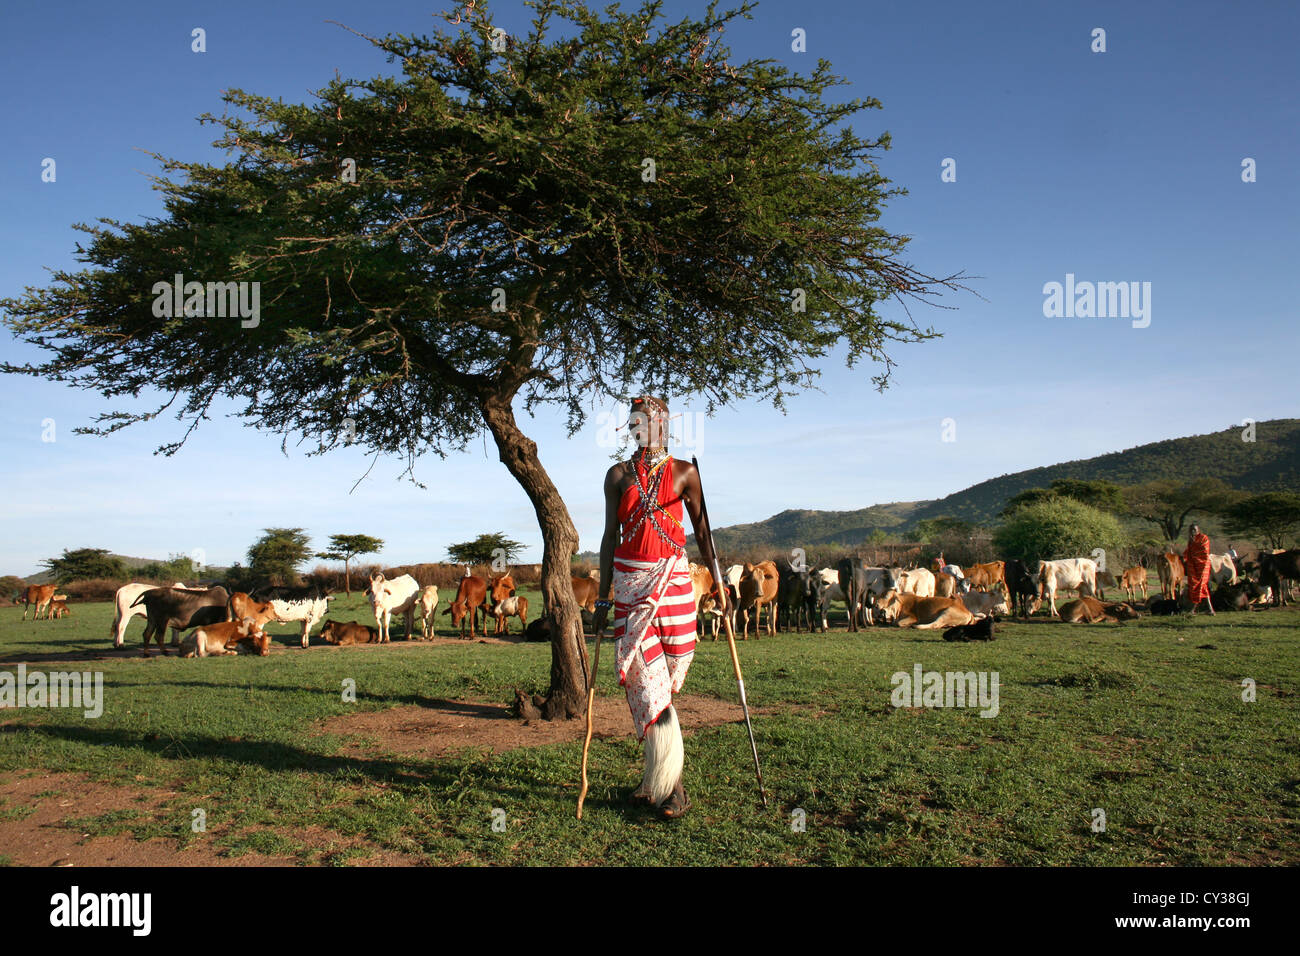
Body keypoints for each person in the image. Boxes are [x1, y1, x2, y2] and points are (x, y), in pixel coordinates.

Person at [590, 396, 728, 819]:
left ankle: (652, 781)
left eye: (658, 422)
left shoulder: (685, 473)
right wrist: (602, 595)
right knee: (648, 688)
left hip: (677, 590)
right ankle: (675, 790)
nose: (651, 429)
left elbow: (703, 529)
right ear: (633, 428)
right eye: (642, 422)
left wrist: (720, 584)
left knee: (663, 687)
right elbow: (610, 536)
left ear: (668, 426)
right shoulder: (617, 476)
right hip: (631, 592)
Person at [1182, 524, 1215, 615]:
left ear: (1198, 530)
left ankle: (1193, 609)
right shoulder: (1191, 540)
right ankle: (1210, 609)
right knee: (1199, 586)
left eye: (1194, 530)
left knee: (1200, 586)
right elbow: (1189, 551)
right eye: (1191, 530)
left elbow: (1204, 551)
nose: (1193, 531)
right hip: (1194, 566)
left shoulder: (1204, 538)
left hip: (1203, 565)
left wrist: (1194, 543)